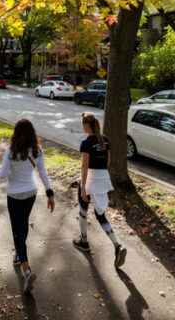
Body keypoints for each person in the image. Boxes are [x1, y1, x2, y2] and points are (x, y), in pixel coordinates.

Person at [0, 119, 55, 294]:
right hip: (31, 193)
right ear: (32, 133)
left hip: (14, 194)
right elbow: (43, 173)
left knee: (17, 229)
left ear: (15, 133)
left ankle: (27, 270)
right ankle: (19, 254)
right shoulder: (37, 151)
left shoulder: (10, 152)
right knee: (22, 225)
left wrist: (7, 167)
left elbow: (2, 175)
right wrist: (50, 192)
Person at [73, 112, 127, 268]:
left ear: (86, 125)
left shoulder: (86, 143)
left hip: (90, 178)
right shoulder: (106, 141)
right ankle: (117, 245)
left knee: (83, 210)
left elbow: (84, 166)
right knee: (100, 214)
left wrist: (83, 186)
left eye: (82, 124)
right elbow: (108, 162)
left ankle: (84, 241)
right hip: (103, 179)